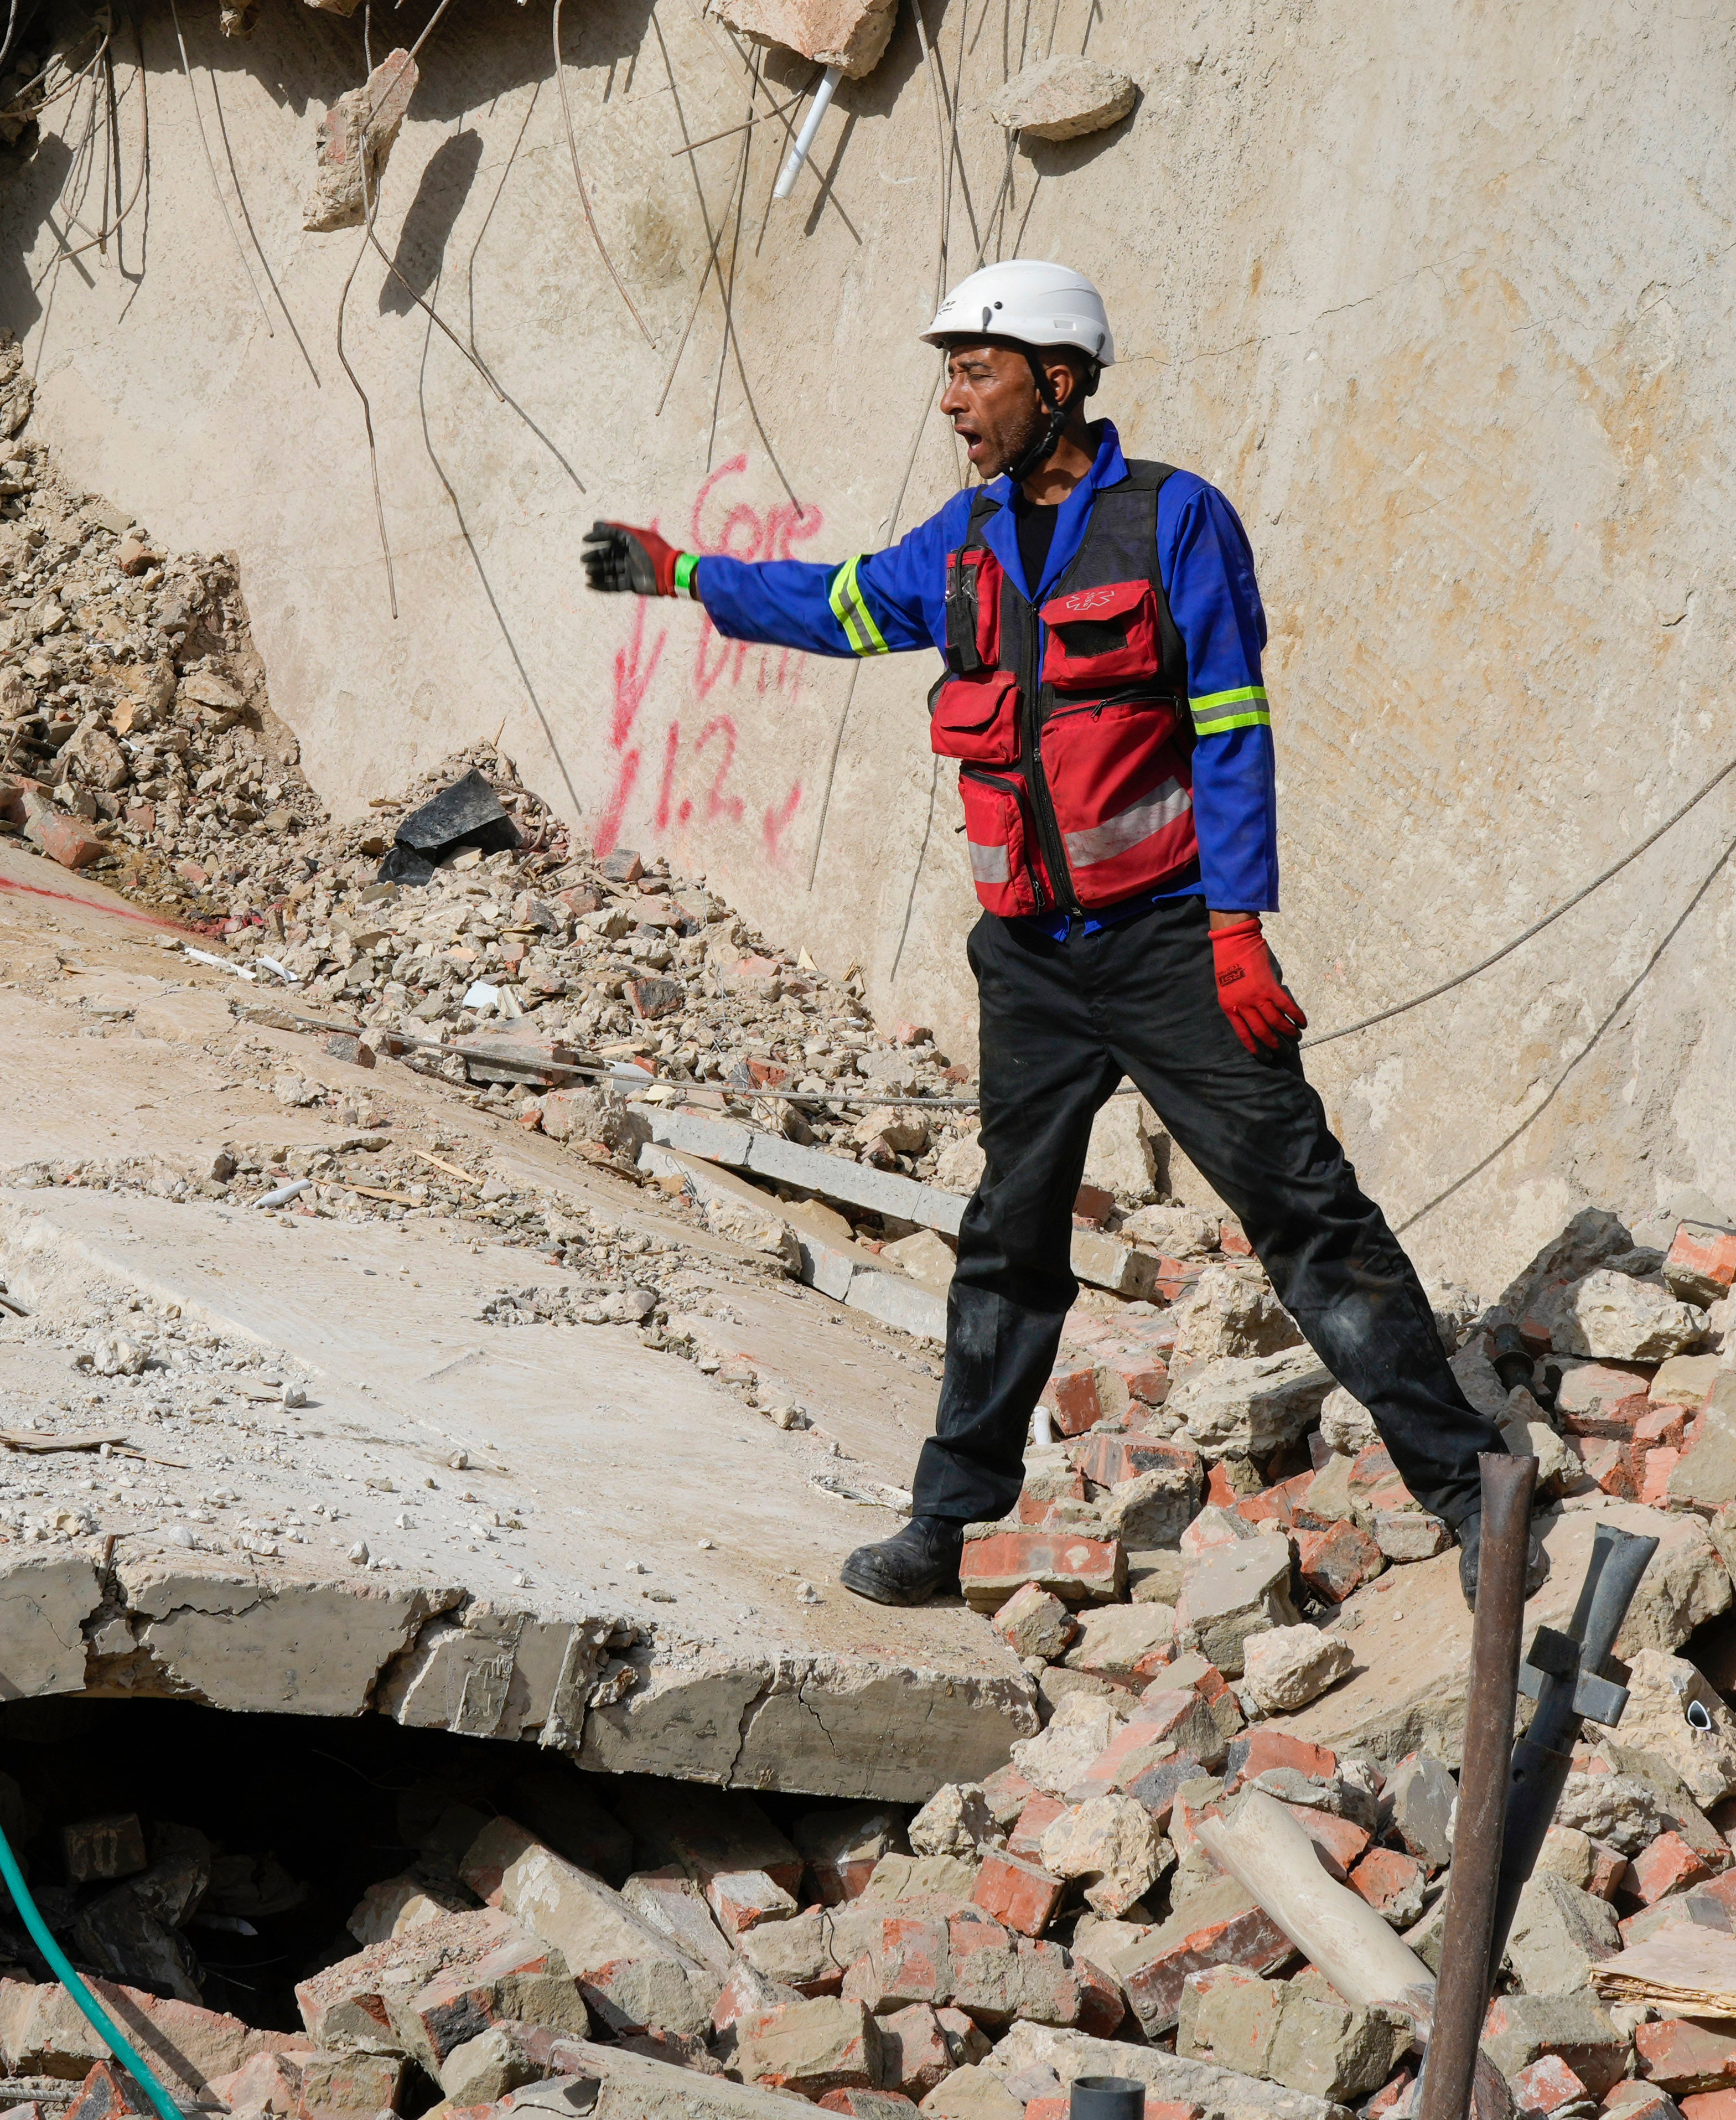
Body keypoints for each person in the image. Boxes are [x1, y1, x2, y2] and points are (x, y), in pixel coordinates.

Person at [581, 258, 1510, 1605]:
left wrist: (1241, 928)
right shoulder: (961, 544)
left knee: (1304, 1212)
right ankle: (945, 1529)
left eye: (976, 372)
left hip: (1175, 945)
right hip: (1029, 963)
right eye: (948, 374)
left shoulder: (1177, 521)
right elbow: (840, 603)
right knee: (1008, 1239)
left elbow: (1233, 729)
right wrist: (683, 572)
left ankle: (1471, 1486)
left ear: (1058, 381)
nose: (953, 403)